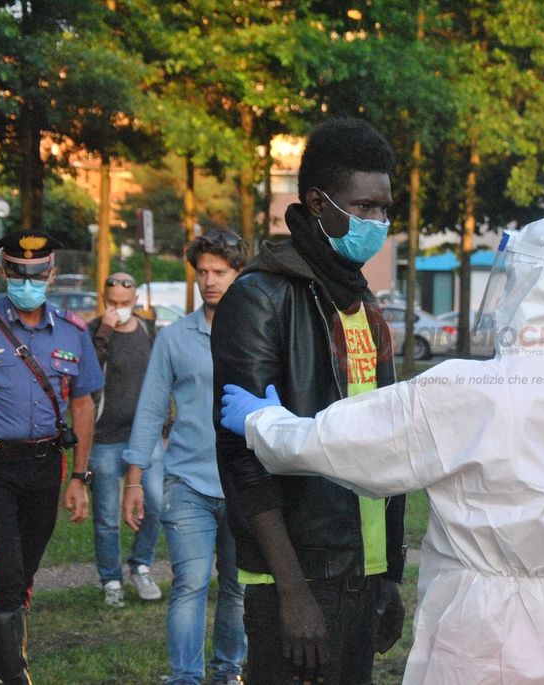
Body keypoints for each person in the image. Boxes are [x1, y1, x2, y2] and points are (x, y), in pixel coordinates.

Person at [221, 214, 544, 684]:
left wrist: (265, 425)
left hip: (487, 626)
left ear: (525, 288)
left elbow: (354, 444)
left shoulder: (468, 389)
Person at [211, 117, 407, 685]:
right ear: (318, 204)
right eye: (364, 207)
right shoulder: (261, 296)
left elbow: (387, 439)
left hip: (363, 569)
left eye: (384, 208)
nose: (377, 222)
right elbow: (242, 459)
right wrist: (292, 595)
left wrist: (388, 574)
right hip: (298, 576)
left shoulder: (361, 303)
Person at [0, 231, 101, 684]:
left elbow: (83, 404)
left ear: (51, 274)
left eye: (36, 275)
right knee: (6, 578)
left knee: (20, 579)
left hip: (46, 466)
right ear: (4, 272)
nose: (26, 283)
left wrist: (79, 477)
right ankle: (16, 675)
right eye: (16, 273)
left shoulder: (73, 330)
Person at [121, 230, 248, 685]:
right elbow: (151, 409)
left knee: (238, 588)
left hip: (246, 482)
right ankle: (185, 678)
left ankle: (228, 671)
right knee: (190, 584)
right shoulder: (173, 338)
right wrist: (134, 479)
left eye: (220, 272)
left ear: (238, 274)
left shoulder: (259, 333)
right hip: (187, 482)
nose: (209, 281)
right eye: (203, 272)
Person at [88, 272, 163, 607]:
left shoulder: (148, 330)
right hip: (105, 437)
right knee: (106, 515)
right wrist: (104, 330)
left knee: (156, 503)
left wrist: (166, 427)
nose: (118, 308)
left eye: (124, 303)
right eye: (112, 302)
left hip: (145, 436)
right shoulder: (93, 331)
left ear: (135, 300)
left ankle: (141, 565)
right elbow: (89, 374)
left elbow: (161, 380)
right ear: (103, 300)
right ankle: (111, 579)